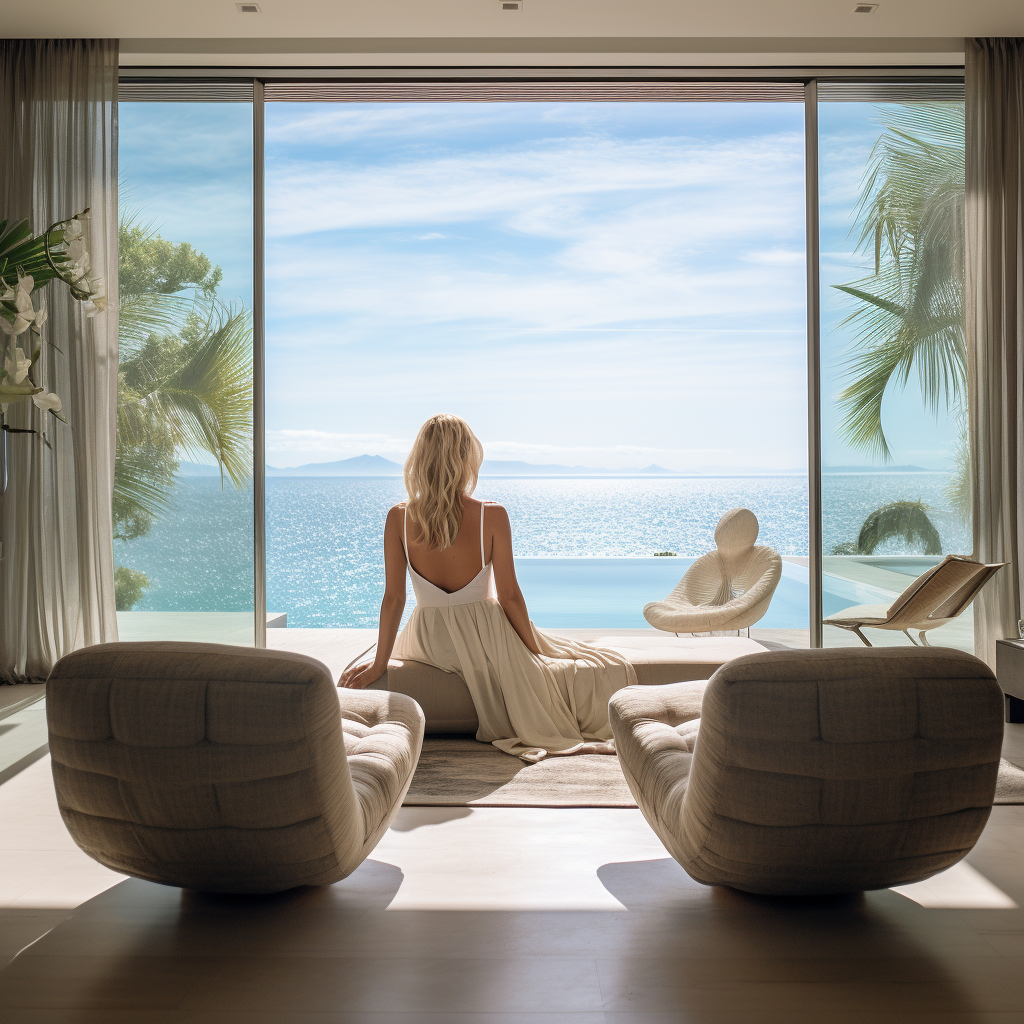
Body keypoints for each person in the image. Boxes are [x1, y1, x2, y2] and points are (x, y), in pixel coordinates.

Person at [338, 413, 637, 761]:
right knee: (588, 661)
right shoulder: (491, 515)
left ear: (420, 458)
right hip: (486, 633)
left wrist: (380, 663)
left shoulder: (398, 517)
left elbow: (394, 598)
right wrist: (535, 648)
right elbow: (509, 596)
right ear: (466, 457)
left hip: (430, 638)